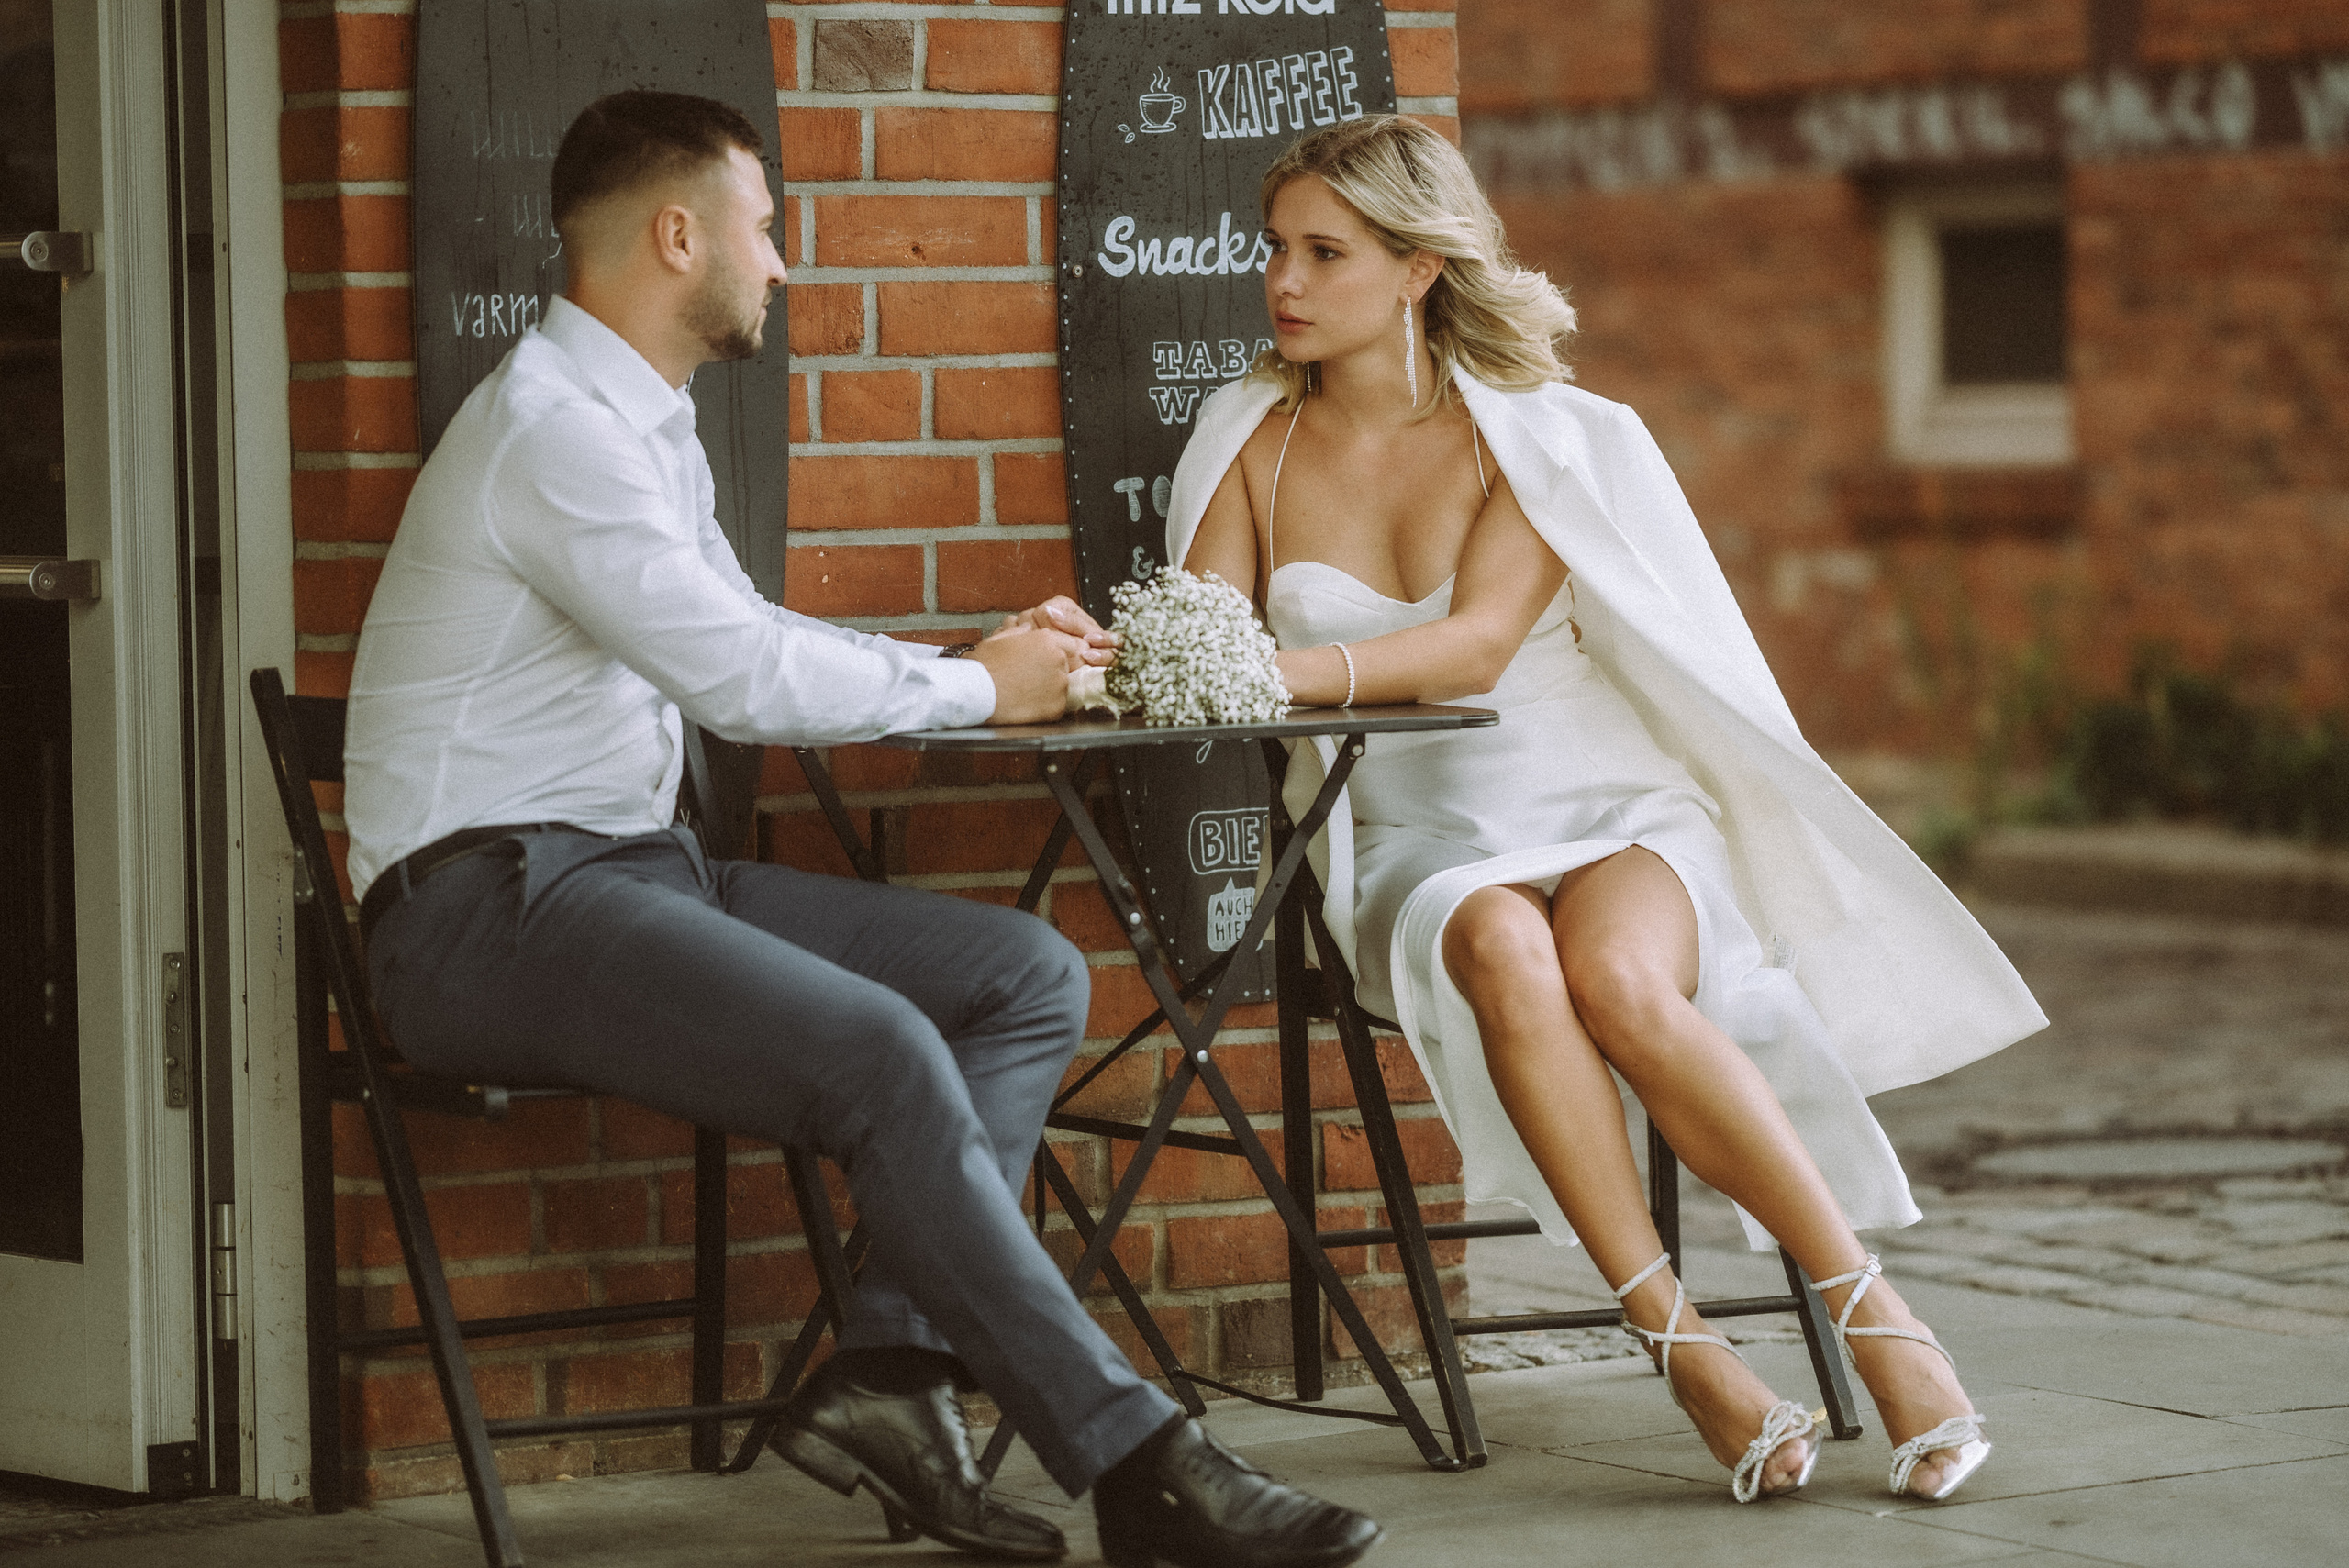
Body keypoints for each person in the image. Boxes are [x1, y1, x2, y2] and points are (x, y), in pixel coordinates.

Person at [344, 90, 1381, 1568]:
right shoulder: (550, 430)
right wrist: (974, 688)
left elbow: (740, 632)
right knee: (883, 1050)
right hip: (482, 912)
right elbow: (737, 679)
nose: (783, 267)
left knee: (1025, 974)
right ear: (678, 233)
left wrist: (978, 661)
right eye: (766, 230)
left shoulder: (639, 422)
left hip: (624, 877)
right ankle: (1145, 1463)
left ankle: (891, 1373)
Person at [1175, 116, 2047, 1507]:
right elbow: (1202, 647)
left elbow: (1469, 650)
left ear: (1416, 268)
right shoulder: (1252, 444)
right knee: (1507, 950)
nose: (1281, 278)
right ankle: (1682, 1342)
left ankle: (1877, 1311)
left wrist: (1272, 662)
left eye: (1322, 251)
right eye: (1274, 248)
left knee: (1626, 982)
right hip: (1413, 842)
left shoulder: (1534, 432)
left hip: (1602, 799)